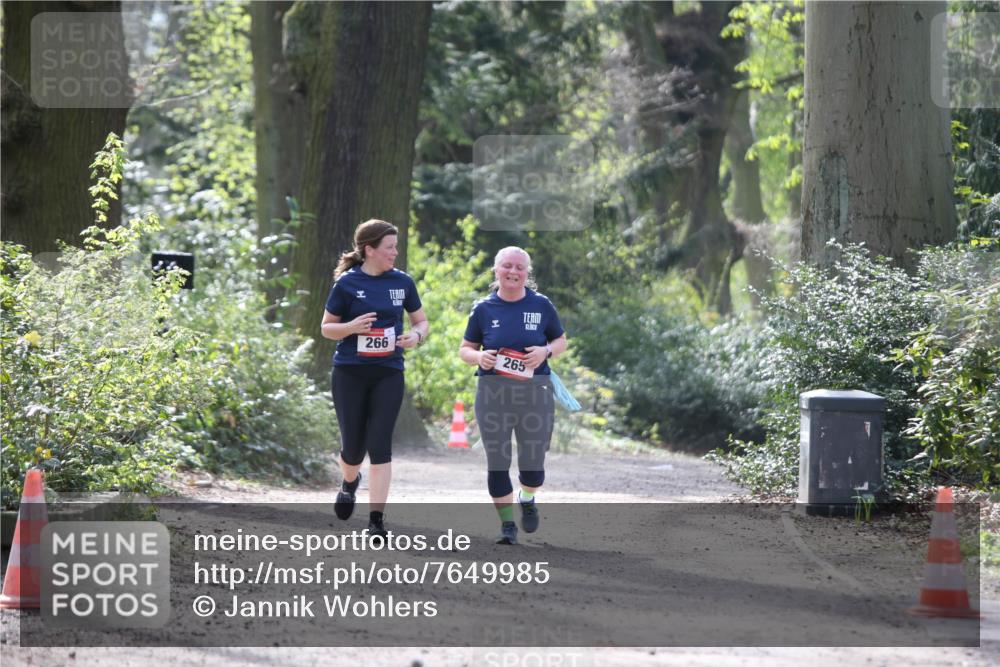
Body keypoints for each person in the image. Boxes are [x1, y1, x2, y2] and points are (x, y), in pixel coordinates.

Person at [320, 219, 428, 540]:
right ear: (370, 250)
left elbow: (421, 321)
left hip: (389, 372)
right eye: (390, 247)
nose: (396, 252)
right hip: (350, 372)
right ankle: (349, 481)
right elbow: (327, 328)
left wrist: (416, 337)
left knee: (380, 445)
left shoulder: (403, 283)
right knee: (353, 449)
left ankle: (376, 521)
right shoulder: (347, 284)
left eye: (396, 246)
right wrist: (352, 327)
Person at [459, 247, 568, 544]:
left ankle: (528, 497)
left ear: (526, 273)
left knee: (533, 463)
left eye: (519, 267)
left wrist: (545, 351)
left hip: (535, 391)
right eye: (507, 266)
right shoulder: (483, 309)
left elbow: (560, 341)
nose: (513, 271)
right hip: (493, 392)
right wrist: (479, 358)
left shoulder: (542, 305)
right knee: (497, 459)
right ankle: (507, 525)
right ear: (496, 270)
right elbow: (465, 349)